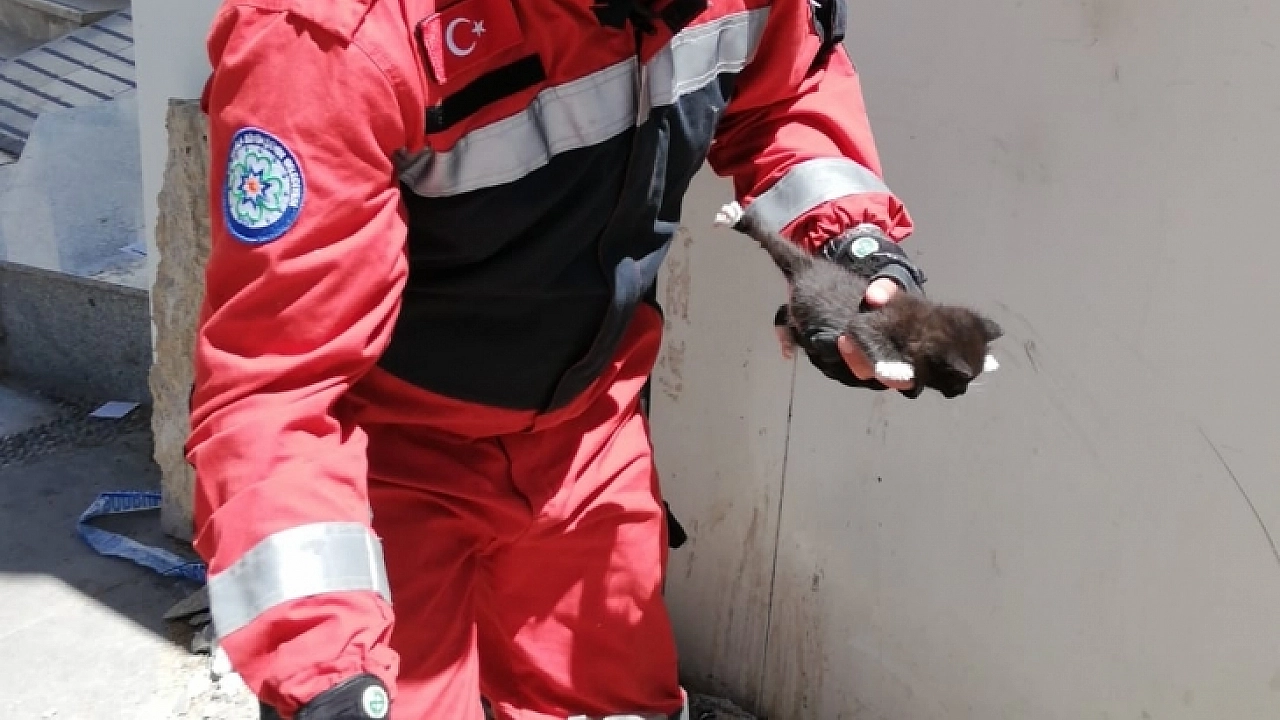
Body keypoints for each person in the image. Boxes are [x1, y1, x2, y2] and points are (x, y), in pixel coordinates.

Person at [188, 0, 923, 716]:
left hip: (590, 431)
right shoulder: (324, 39)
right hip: (387, 464)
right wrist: (321, 659)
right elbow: (277, 389)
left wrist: (848, 250)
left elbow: (785, 89)